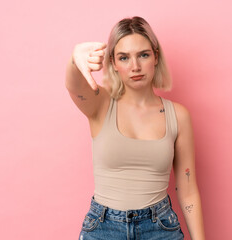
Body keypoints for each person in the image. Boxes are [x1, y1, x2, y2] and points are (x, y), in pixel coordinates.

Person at [65, 16, 205, 240]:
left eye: (143, 55)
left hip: (159, 228)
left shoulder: (177, 116)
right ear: (113, 63)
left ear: (155, 57)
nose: (135, 66)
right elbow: (75, 87)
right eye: (124, 57)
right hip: (104, 228)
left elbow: (188, 192)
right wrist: (74, 60)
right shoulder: (100, 105)